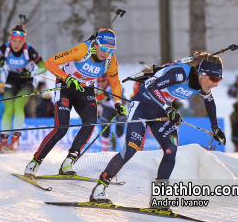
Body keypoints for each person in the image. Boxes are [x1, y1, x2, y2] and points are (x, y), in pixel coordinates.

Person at [88, 51, 226, 205]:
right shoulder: (181, 73)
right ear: (202, 73)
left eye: (219, 80)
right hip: (142, 106)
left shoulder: (202, 85)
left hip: (162, 111)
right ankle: (99, 188)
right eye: (214, 79)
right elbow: (152, 87)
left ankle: (158, 197)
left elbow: (209, 102)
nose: (216, 83)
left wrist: (216, 128)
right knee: (131, 149)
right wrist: (168, 109)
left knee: (170, 150)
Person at [23, 27, 127, 177]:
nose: (106, 53)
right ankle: (35, 162)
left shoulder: (111, 61)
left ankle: (68, 162)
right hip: (66, 86)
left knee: (91, 122)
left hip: (86, 90)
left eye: (111, 49)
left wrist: (118, 103)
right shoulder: (82, 50)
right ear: (96, 44)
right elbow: (50, 63)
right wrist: (67, 78)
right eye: (103, 48)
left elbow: (115, 83)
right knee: (62, 128)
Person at [0, 23, 46, 152]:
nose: (16, 44)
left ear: (23, 42)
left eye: (20, 42)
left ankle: (15, 140)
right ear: (10, 40)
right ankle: (3, 141)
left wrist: (33, 72)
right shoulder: (4, 49)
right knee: (8, 109)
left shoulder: (29, 51)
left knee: (18, 106)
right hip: (11, 80)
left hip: (27, 81)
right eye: (14, 41)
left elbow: (43, 67)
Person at [96, 73, 127, 151]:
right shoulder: (96, 87)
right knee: (104, 129)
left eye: (103, 81)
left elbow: (117, 104)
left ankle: (125, 151)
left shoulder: (114, 86)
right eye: (99, 81)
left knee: (119, 129)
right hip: (107, 109)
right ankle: (105, 153)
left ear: (107, 80)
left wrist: (107, 99)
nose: (101, 83)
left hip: (120, 108)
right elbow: (96, 102)